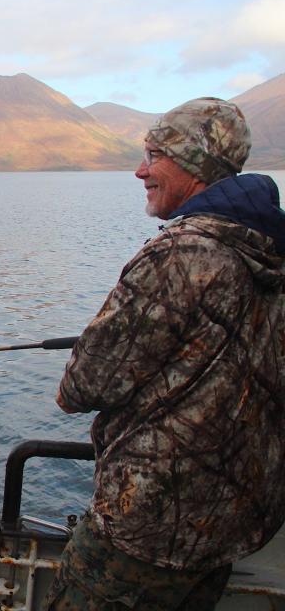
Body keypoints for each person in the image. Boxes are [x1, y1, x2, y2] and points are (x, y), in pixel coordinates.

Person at [44, 97, 285, 610]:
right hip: (227, 524)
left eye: (153, 156)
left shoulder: (180, 253)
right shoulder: (270, 251)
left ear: (193, 164)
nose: (139, 170)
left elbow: (82, 386)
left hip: (149, 532)